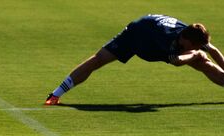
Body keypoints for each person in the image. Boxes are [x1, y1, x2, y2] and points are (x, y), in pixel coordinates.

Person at [45, 14, 224, 105]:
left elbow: (213, 50)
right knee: (98, 59)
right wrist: (195, 54)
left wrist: (199, 53)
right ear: (185, 40)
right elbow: (176, 60)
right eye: (193, 46)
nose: (195, 48)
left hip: (153, 31)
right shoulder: (167, 38)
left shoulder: (191, 34)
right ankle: (55, 95)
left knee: (205, 63)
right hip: (136, 36)